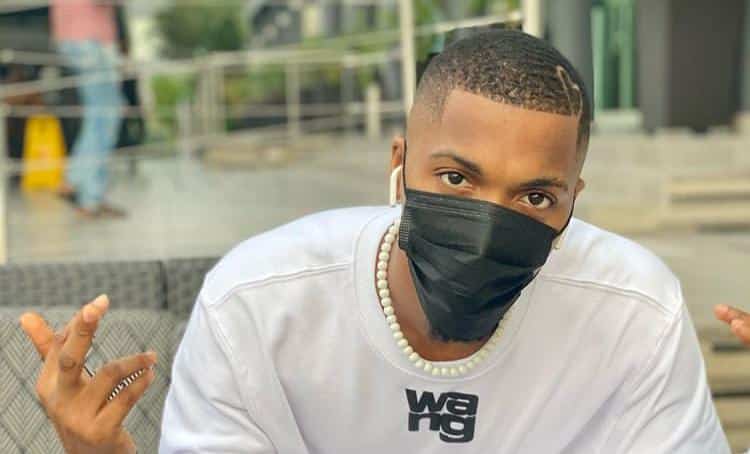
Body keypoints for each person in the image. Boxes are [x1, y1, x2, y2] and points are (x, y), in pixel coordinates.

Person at [20, 30, 729, 453]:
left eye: (535, 197)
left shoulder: (636, 312)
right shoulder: (257, 304)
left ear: (574, 200)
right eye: (456, 178)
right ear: (399, 165)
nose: (489, 224)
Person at [50, 0, 125, 217]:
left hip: (76, 37)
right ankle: (74, 181)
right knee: (105, 115)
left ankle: (91, 198)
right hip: (90, 39)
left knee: (101, 115)